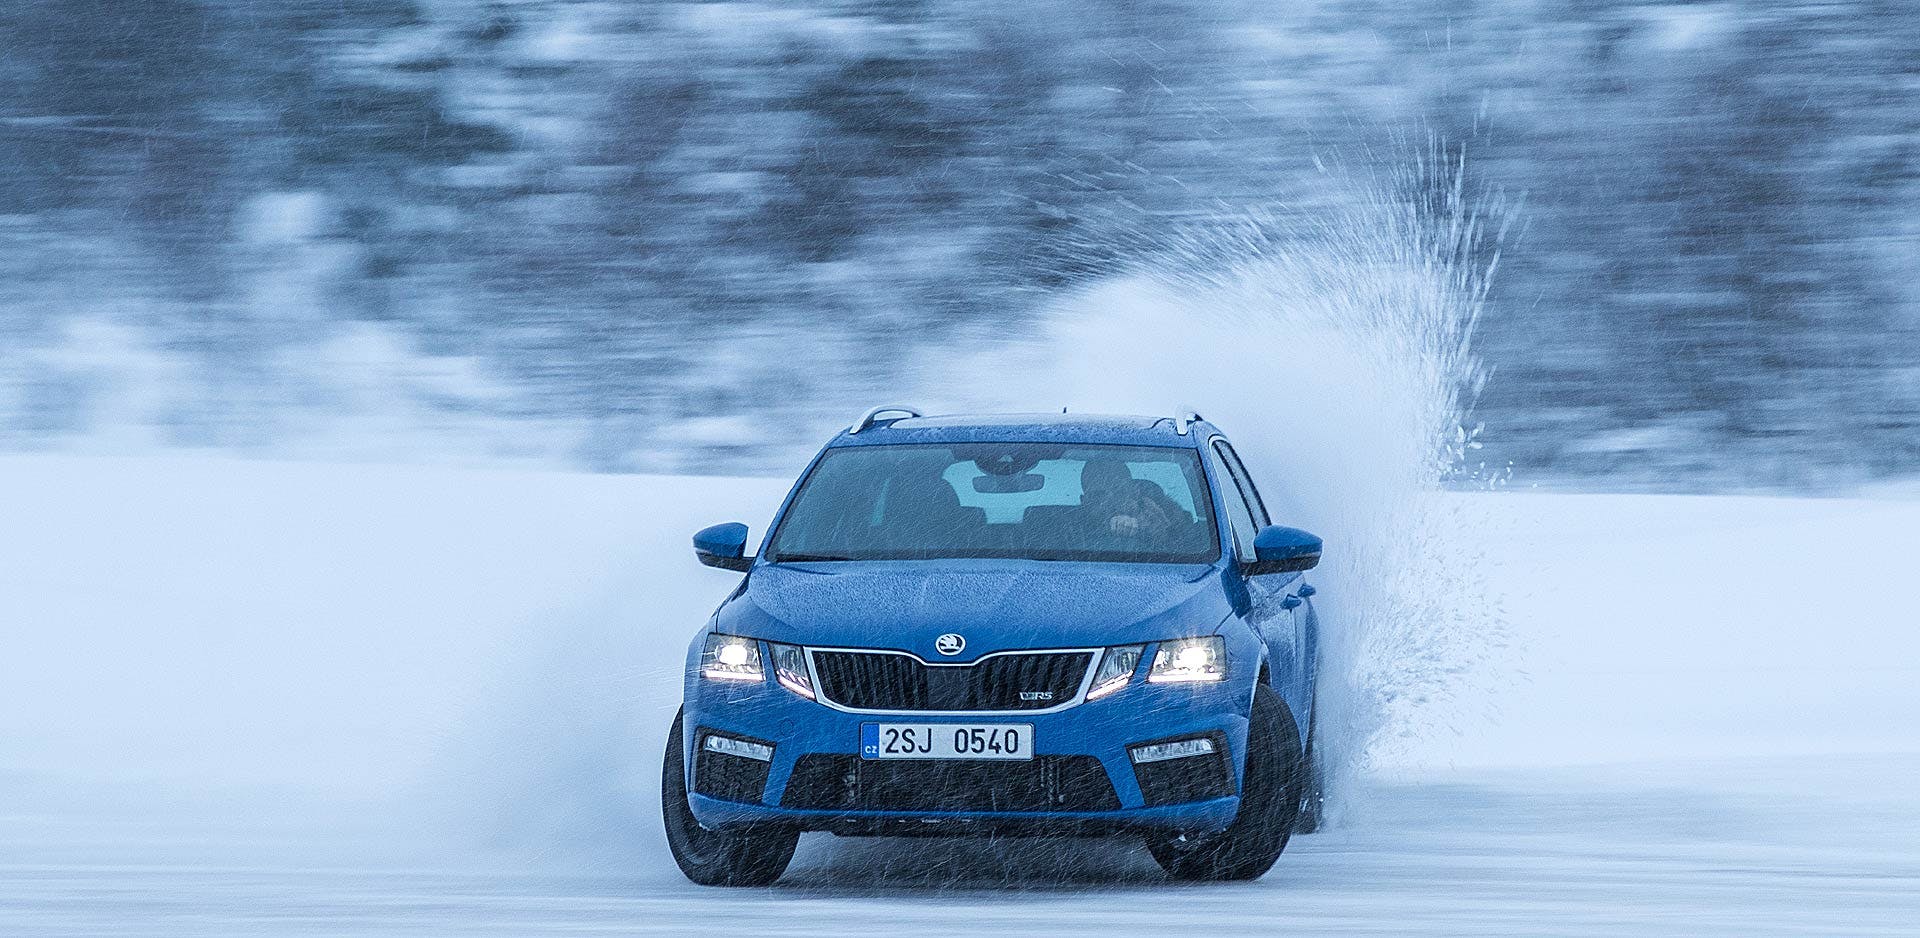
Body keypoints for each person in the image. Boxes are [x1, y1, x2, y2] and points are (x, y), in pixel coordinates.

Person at [1078, 458, 1184, 539]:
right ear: (1084, 501)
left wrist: (1146, 529)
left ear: (1134, 492)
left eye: (1118, 492)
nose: (1108, 501)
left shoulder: (1155, 516)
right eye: (1098, 495)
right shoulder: (1068, 532)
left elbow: (1175, 546)